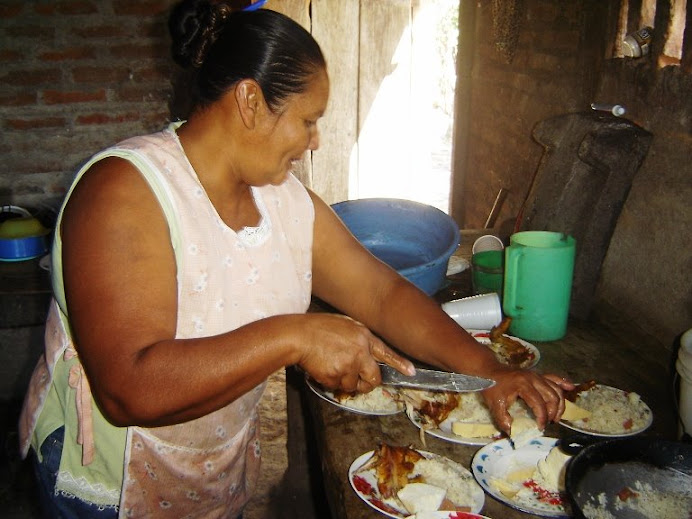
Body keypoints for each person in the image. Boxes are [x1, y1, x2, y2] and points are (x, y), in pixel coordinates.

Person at [18, 1, 574, 517]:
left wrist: (489, 372)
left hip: (212, 470)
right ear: (250, 101)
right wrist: (295, 336)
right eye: (308, 120)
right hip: (111, 484)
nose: (315, 142)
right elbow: (128, 388)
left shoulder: (282, 201)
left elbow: (380, 293)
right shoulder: (124, 191)